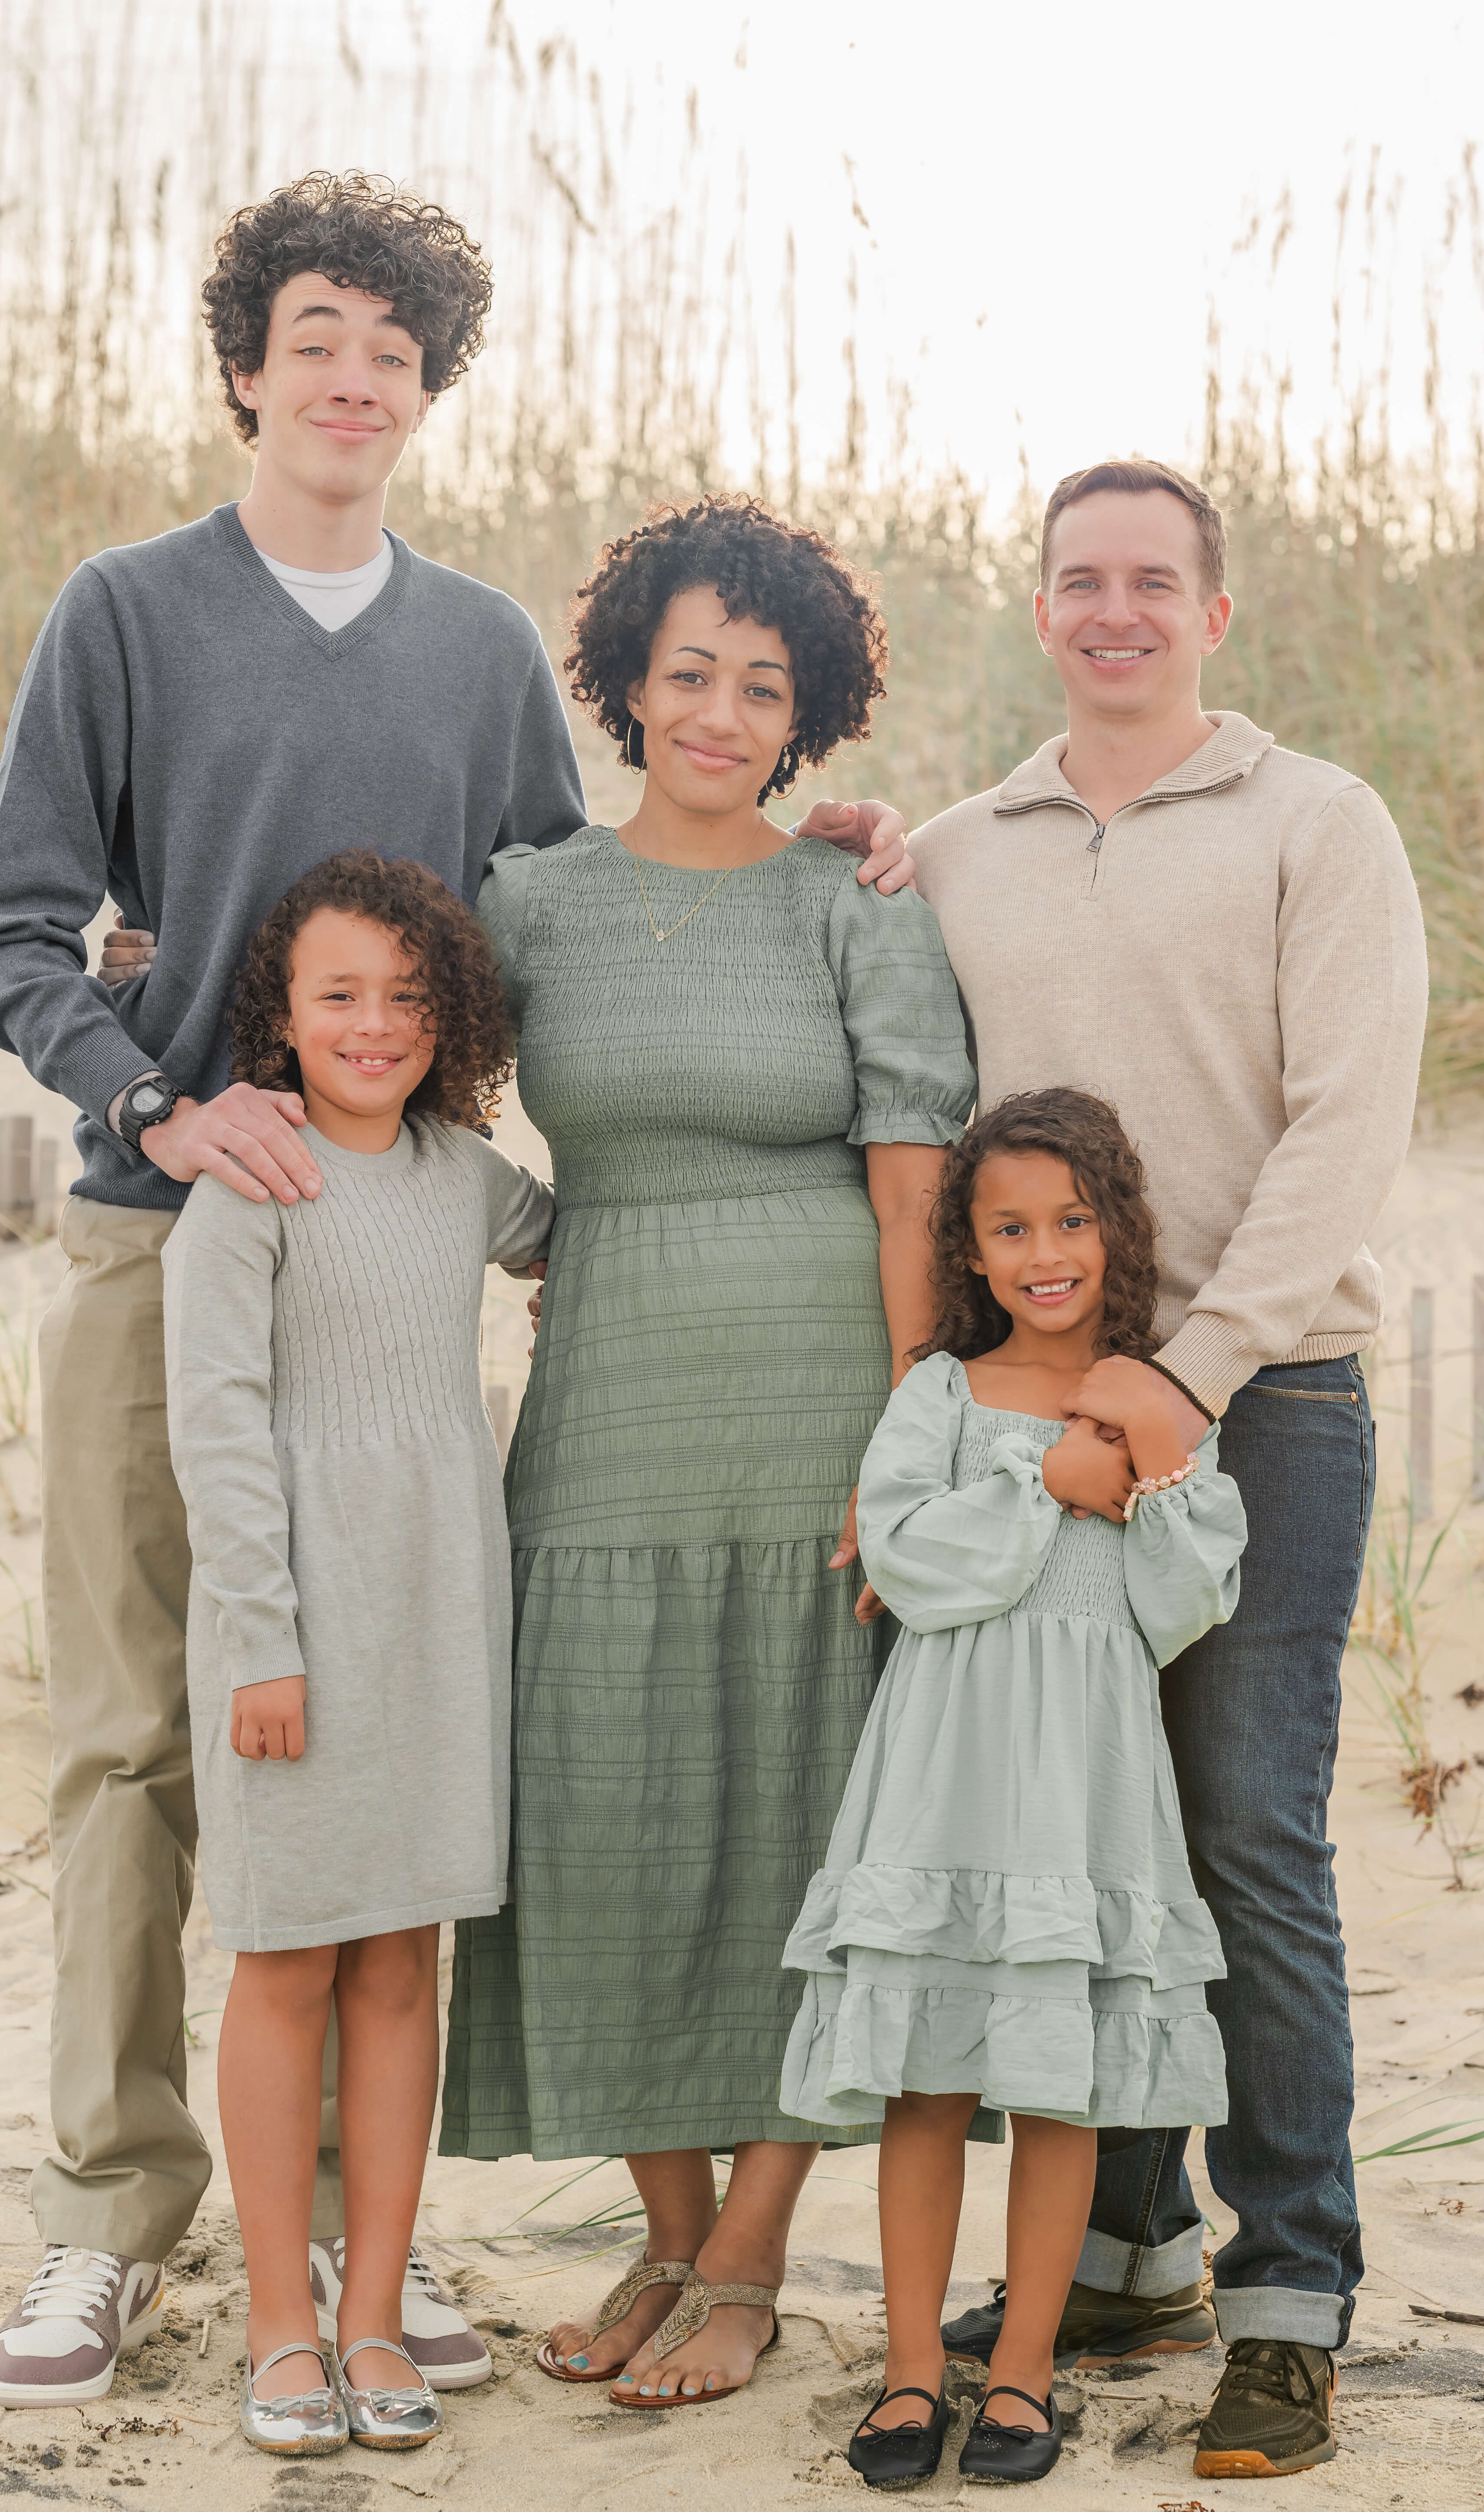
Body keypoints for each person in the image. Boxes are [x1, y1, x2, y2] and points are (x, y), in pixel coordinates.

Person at [0, 167, 909, 2408]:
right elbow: (16, 929)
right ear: (242, 364)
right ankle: (114, 2215)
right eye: (316, 337)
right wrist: (161, 1099)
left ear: (427, 389)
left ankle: (359, 2250)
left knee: (386, 1756)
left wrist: (840, 834)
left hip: (401, 1261)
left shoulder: (481, 644)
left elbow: (560, 904)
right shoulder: (123, 611)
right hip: (166, 1238)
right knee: (138, 1736)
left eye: (394, 349)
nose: (352, 377)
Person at [896, 459, 1428, 2482]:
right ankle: (1128, 2243)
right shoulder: (965, 844)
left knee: (1238, 1831)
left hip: (1267, 1403)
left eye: (1153, 581)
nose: (1113, 610)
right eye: (1077, 581)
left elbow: (1347, 1122)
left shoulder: (1321, 824)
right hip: (1039, 1416)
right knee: (1079, 1830)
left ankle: (1291, 2290)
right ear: (1039, 609)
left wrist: (1187, 1376)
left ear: (1218, 610)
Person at [438, 494, 974, 2410]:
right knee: (594, 1814)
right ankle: (665, 2234)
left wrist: (907, 1448)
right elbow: (398, 1091)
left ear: (806, 707)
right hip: (601, 1409)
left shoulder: (855, 902)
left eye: (764, 684)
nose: (723, 713)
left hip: (819, 1397)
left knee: (796, 1826)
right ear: (628, 685)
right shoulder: (531, 899)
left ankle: (748, 2252)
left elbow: (917, 1196)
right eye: (691, 673)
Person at [782, 1089, 1244, 2488]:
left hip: (1084, 1788)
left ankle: (1027, 2371)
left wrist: (1146, 1467)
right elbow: (912, 1562)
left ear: (1117, 1232)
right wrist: (1046, 1482)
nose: (1045, 1250)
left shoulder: (1157, 1403)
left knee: (1059, 2087)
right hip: (945, 1777)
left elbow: (1183, 1603)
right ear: (971, 1254)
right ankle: (914, 2366)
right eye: (1008, 1228)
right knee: (926, 2081)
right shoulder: (939, 1391)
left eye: (1070, 1220)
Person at [162, 853, 551, 2453]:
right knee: (290, 1955)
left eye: (407, 993)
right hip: (296, 1626)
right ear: (283, 1011)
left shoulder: (466, 1172)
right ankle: (277, 2324)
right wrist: (262, 1639)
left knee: (405, 1963)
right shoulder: (245, 1184)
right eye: (339, 993)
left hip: (442, 1614)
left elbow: (584, 1236)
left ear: (447, 1008)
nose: (375, 1023)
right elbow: (219, 1428)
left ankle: (377, 2312)